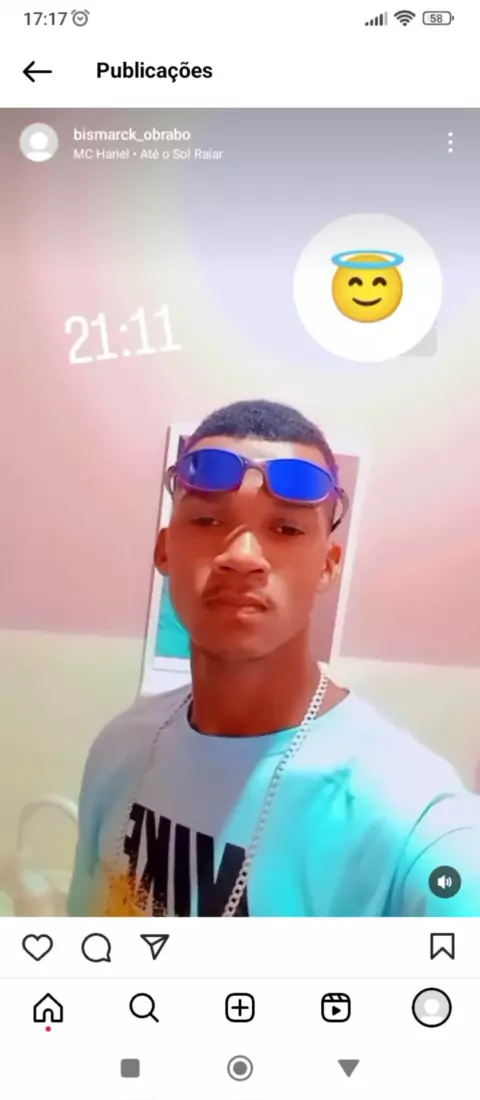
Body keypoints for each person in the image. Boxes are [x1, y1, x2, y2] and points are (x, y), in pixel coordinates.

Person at [68, 399, 480, 917]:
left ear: (328, 565)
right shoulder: (120, 748)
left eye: (285, 529)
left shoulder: (413, 822)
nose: (241, 556)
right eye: (208, 519)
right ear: (165, 550)